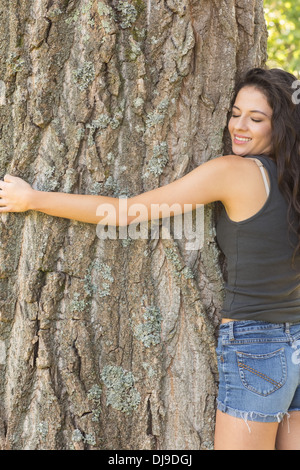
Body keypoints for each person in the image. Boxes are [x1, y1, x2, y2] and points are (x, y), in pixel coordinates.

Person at [0, 67, 300, 450]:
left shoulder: (235, 173)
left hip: (257, 348)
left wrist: (34, 200)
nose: (238, 126)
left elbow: (126, 212)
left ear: (283, 124)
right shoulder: (290, 179)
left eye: (256, 119)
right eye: (235, 112)